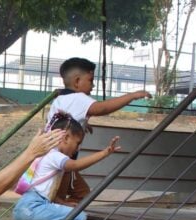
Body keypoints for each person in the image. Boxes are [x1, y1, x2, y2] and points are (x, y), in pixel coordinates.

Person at [48, 57, 151, 205]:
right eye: (90, 80)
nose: (93, 85)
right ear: (77, 81)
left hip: (61, 162)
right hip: (62, 163)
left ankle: (66, 215)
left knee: (82, 195)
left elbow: (62, 122)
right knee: (63, 200)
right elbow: (101, 108)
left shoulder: (61, 100)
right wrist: (132, 96)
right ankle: (59, 217)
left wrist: (82, 125)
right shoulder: (78, 98)